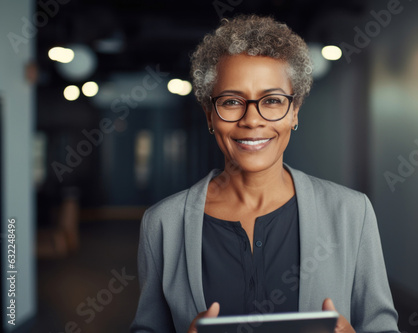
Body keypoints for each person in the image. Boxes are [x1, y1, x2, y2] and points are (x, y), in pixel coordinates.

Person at [131, 15, 399, 333]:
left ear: (295, 112)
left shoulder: (351, 213)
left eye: (272, 101)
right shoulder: (163, 224)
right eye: (232, 101)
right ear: (209, 114)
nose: (252, 120)